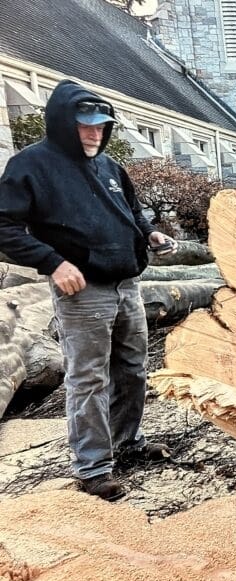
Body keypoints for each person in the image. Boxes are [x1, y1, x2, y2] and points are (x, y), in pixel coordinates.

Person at [0, 80, 176, 501]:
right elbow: (3, 226)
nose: (95, 134)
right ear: (64, 124)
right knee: (88, 379)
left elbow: (131, 211)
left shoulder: (111, 168)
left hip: (126, 282)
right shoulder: (31, 166)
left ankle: (126, 443)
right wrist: (53, 262)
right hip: (82, 292)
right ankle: (93, 467)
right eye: (86, 126)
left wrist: (149, 233)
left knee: (132, 370)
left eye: (101, 126)